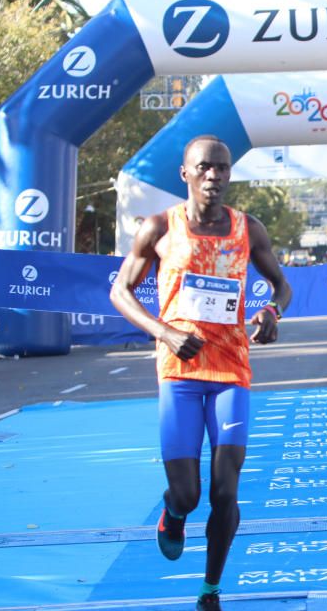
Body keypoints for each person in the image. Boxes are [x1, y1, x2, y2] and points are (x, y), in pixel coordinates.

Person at [110, 135, 292, 610]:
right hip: (180, 372)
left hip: (231, 370)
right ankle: (173, 512)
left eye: (222, 168)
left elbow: (281, 286)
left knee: (226, 488)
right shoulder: (158, 228)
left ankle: (210, 589)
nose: (214, 176)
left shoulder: (248, 229)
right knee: (190, 494)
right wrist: (164, 332)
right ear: (185, 174)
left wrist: (271, 311)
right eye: (205, 168)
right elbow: (120, 292)